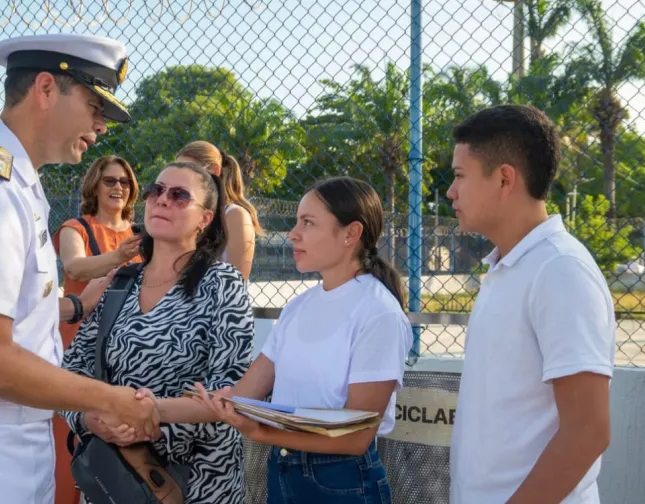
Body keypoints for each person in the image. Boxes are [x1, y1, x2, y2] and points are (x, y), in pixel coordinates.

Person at [0, 33, 159, 504]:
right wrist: (107, 398)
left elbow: (17, 320)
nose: (101, 126)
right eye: (94, 105)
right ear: (46, 88)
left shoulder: (17, 182)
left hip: (5, 441)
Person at [142, 176, 412, 503]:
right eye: (297, 221)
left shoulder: (378, 312)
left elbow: (355, 437)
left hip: (342, 482)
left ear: (351, 233)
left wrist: (261, 432)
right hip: (284, 471)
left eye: (308, 223)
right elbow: (239, 396)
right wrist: (145, 408)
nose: (293, 234)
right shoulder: (298, 307)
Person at [446, 104, 615, 504]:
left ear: (505, 178)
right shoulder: (508, 266)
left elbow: (587, 431)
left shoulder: (560, 270)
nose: (451, 191)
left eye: (460, 175)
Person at [60, 161, 254, 504]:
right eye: (157, 191)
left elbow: (230, 388)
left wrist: (147, 415)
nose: (162, 200)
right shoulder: (120, 282)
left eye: (179, 195)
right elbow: (73, 369)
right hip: (117, 481)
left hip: (199, 482)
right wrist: (90, 420)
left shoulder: (222, 283)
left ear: (205, 218)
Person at [51, 154, 142, 504]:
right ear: (94, 186)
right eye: (110, 181)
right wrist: (119, 257)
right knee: (71, 445)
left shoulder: (140, 235)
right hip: (79, 354)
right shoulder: (76, 228)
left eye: (125, 181)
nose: (119, 187)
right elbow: (75, 267)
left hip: (125, 356)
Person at [176, 141, 263, 280]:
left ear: (214, 170)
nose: (179, 179)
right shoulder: (186, 213)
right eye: (177, 171)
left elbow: (237, 281)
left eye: (189, 170)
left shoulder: (235, 215)